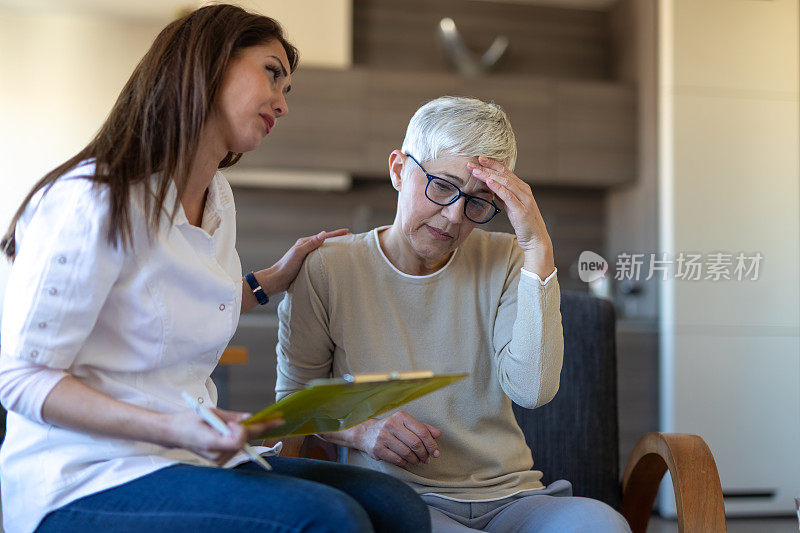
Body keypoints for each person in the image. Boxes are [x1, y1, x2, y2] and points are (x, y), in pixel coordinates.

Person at [0, 5, 431, 533]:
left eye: (287, 88)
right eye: (272, 73)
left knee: (395, 505)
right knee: (329, 518)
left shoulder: (217, 199)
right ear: (207, 62)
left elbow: (175, 302)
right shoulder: (92, 199)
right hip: (85, 475)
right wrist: (174, 427)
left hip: (186, 458)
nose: (282, 103)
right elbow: (20, 379)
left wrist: (273, 278)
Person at [276, 96, 632, 532]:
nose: (453, 217)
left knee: (604, 527)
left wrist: (538, 248)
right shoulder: (328, 267)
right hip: (403, 501)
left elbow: (532, 389)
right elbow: (291, 405)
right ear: (399, 169)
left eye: (478, 202)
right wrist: (361, 430)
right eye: (442, 186)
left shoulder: (506, 259)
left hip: (512, 498)